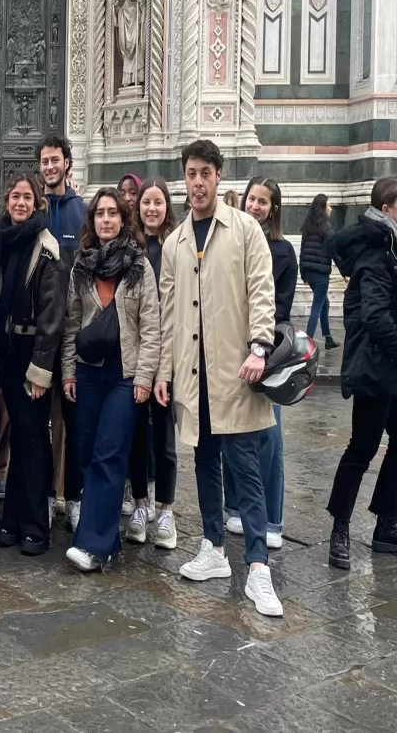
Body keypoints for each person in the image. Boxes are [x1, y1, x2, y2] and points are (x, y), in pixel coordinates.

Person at [155, 139, 282, 617]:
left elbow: (261, 292)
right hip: (193, 373)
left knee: (244, 466)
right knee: (204, 460)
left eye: (206, 172)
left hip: (235, 370)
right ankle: (213, 547)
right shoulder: (175, 242)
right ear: (184, 178)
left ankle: (257, 568)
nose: (198, 181)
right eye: (191, 173)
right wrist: (165, 371)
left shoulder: (245, 229)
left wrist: (259, 347)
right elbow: (169, 313)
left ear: (219, 176)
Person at [61, 189, 160, 571]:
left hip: (124, 373)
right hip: (88, 371)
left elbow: (151, 326)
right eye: (99, 213)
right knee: (86, 453)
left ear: (123, 219)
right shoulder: (82, 266)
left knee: (109, 454)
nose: (106, 220)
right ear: (92, 221)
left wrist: (145, 376)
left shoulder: (138, 265)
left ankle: (92, 546)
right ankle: (107, 538)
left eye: (112, 213)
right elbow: (72, 323)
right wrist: (68, 370)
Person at [0, 173, 66, 555]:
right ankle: (14, 519)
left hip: (33, 352)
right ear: (7, 202)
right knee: (19, 434)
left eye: (27, 198)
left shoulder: (46, 246)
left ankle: (37, 525)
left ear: (37, 203)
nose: (20, 203)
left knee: (34, 439)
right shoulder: (1, 238)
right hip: (9, 349)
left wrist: (41, 370)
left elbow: (52, 315)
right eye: (15, 197)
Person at [325, 177, 397, 570]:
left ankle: (387, 522)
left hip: (389, 367)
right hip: (374, 369)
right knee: (362, 448)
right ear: (386, 208)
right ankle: (340, 527)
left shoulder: (389, 248)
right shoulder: (375, 253)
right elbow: (374, 315)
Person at [224, 178, 294, 551]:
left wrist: (260, 344)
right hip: (232, 349)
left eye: (262, 202)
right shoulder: (233, 243)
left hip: (265, 351)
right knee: (231, 428)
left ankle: (271, 519)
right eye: (251, 199)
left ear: (273, 209)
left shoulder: (282, 251)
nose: (254, 206)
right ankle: (234, 505)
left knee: (268, 434)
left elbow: (278, 308)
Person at [36, 134, 84, 529]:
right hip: (37, 331)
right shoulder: (32, 208)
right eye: (45, 162)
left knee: (70, 417)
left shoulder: (80, 212)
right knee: (39, 417)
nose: (50, 167)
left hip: (71, 329)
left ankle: (72, 493)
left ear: (67, 163)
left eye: (56, 160)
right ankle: (48, 493)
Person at [129, 178, 179, 548]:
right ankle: (140, 505)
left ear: (166, 207)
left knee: (164, 436)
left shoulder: (177, 245)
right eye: (146, 202)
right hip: (136, 354)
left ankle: (166, 510)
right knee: (136, 434)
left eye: (157, 203)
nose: (151, 209)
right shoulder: (130, 248)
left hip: (168, 356)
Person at [300, 194, 338, 349]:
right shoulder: (327, 229)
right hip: (321, 274)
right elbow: (335, 253)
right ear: (323, 209)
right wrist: (345, 272)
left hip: (309, 273)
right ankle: (307, 342)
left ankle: (328, 338)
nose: (331, 208)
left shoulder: (307, 228)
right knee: (317, 306)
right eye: (328, 205)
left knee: (324, 303)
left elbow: (302, 251)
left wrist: (303, 272)